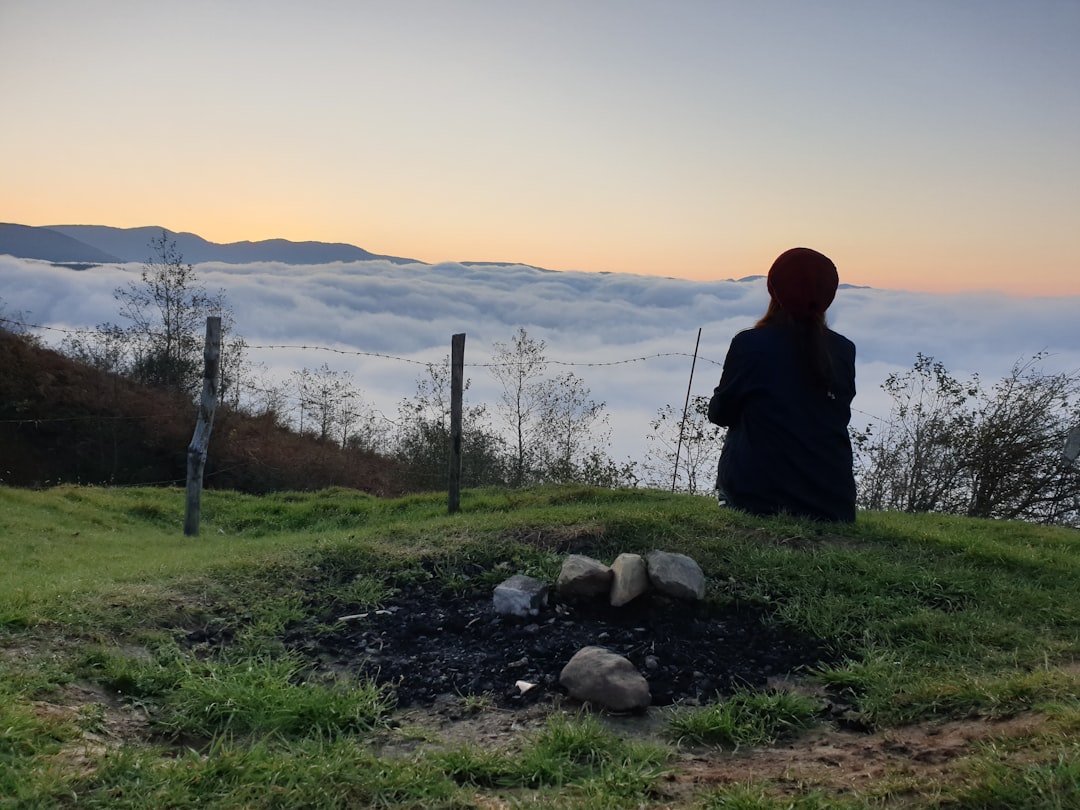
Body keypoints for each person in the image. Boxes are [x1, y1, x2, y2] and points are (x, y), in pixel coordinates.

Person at [707, 247, 856, 522]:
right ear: (828, 297)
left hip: (756, 501)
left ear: (773, 290)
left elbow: (719, 414)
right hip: (834, 507)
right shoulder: (844, 351)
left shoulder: (750, 344)